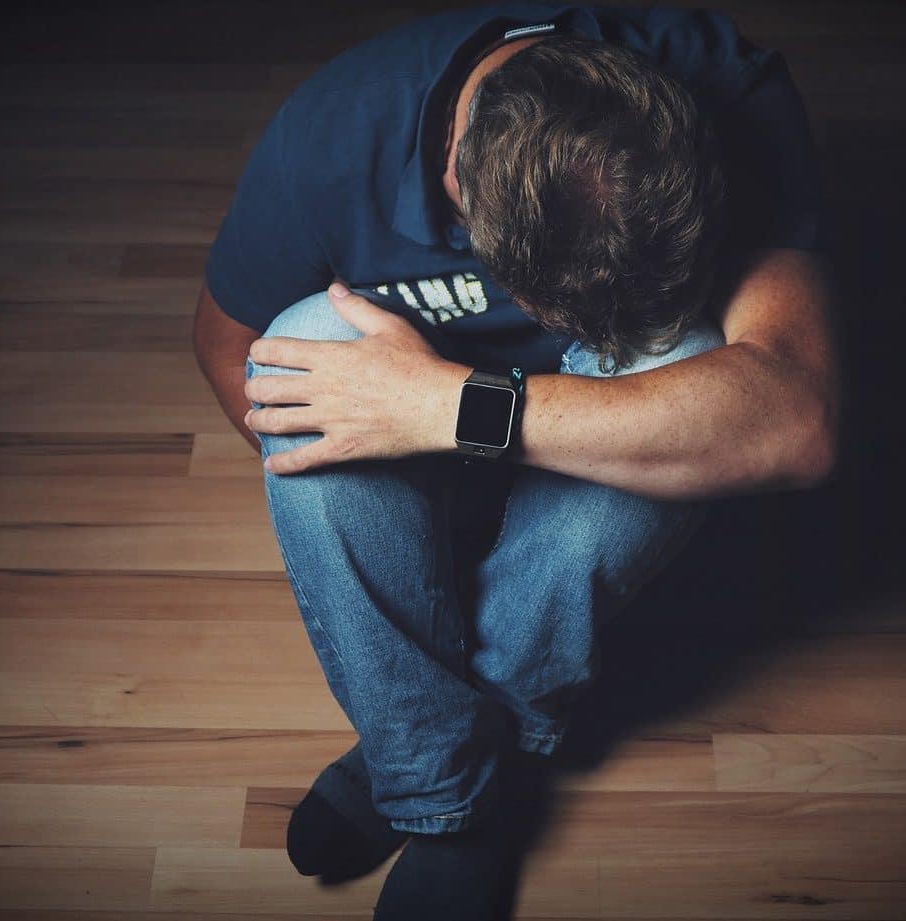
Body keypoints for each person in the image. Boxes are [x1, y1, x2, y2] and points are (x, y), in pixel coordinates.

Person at [191, 3, 840, 917]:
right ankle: (437, 768)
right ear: (456, 180)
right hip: (427, 434)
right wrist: (404, 498)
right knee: (301, 346)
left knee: (688, 359)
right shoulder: (333, 140)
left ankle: (441, 772)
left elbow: (796, 422)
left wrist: (452, 411)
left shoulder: (730, 91)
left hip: (523, 432)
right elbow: (228, 347)